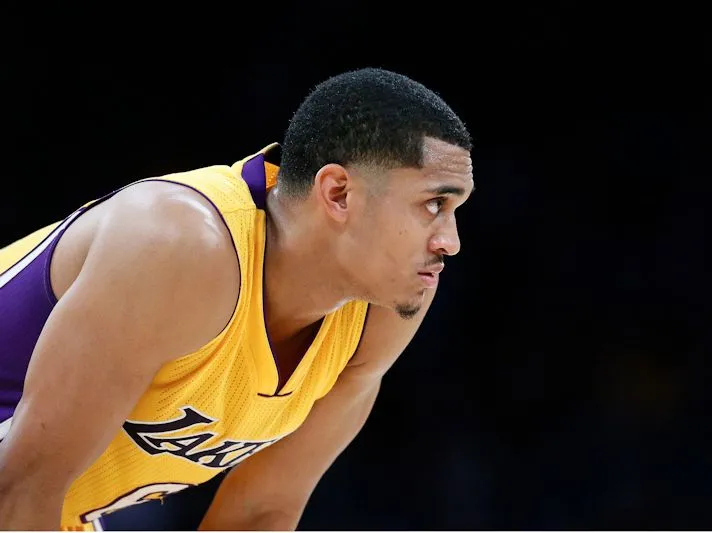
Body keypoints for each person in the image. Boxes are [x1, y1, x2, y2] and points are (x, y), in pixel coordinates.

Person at [0, 67, 474, 531]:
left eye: (456, 210)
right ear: (338, 193)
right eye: (433, 204)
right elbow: (21, 488)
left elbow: (258, 513)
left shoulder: (384, 309)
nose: (450, 242)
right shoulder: (178, 244)